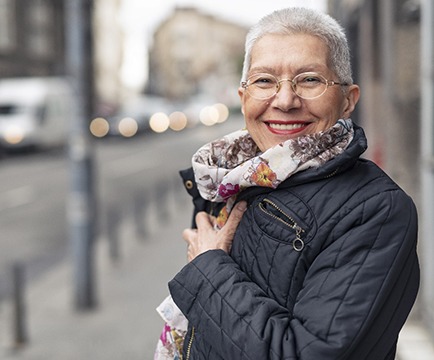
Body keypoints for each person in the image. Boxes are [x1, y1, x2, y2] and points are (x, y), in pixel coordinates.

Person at [159, 7, 420, 360]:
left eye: (310, 79)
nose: (284, 100)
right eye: (264, 80)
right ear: (243, 97)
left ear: (348, 100)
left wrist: (206, 267)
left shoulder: (376, 210)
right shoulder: (227, 178)